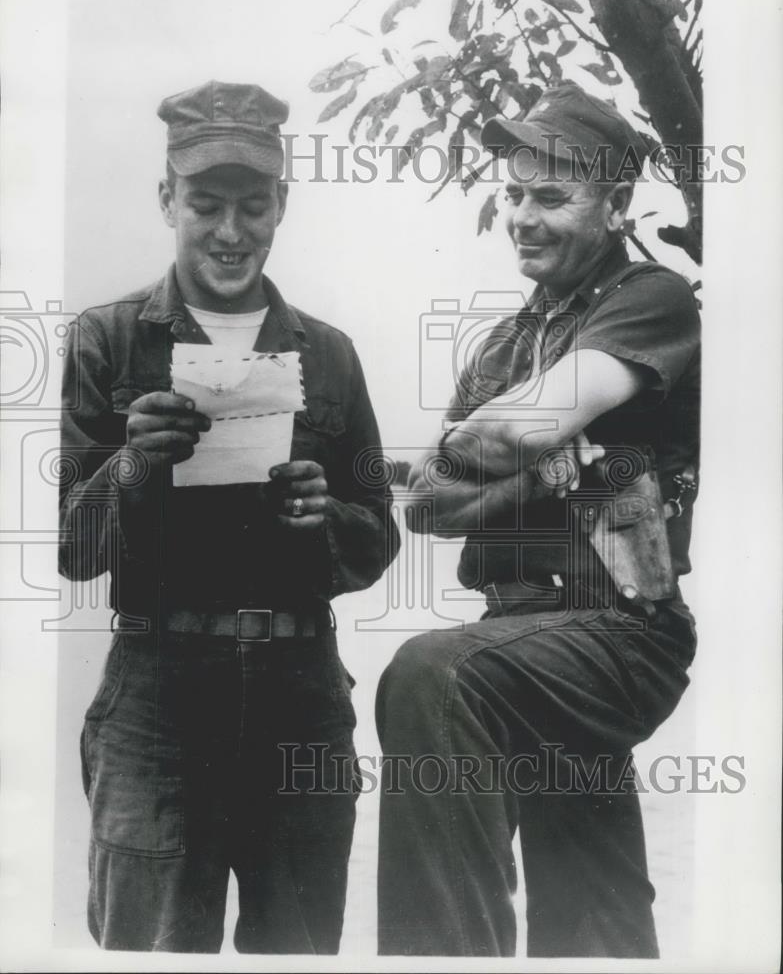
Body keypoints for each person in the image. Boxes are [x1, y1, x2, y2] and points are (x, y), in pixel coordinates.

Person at [59, 80, 399, 954]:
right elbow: (72, 549)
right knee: (152, 949)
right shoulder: (107, 340)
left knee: (298, 949)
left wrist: (326, 519)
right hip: (156, 697)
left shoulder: (329, 353)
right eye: (205, 204)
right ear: (166, 198)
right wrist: (131, 465)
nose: (230, 231)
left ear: (283, 201)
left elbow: (375, 540)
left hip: (301, 692)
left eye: (254, 206)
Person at [376, 83, 700, 958]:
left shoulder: (648, 299)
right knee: (597, 917)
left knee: (430, 678)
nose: (522, 216)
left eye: (552, 196)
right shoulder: (499, 346)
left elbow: (486, 440)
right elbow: (428, 500)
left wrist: (489, 443)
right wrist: (535, 474)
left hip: (616, 633)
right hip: (519, 635)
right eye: (514, 193)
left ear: (616, 205)